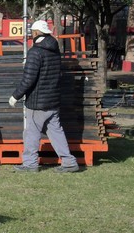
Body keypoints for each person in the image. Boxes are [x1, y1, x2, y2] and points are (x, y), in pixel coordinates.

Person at [8, 20, 80, 173]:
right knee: (56, 132)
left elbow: (29, 79)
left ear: (35, 33)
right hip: (52, 100)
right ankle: (68, 162)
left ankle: (30, 164)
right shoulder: (54, 49)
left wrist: (15, 96)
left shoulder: (35, 52)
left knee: (31, 134)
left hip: (37, 102)